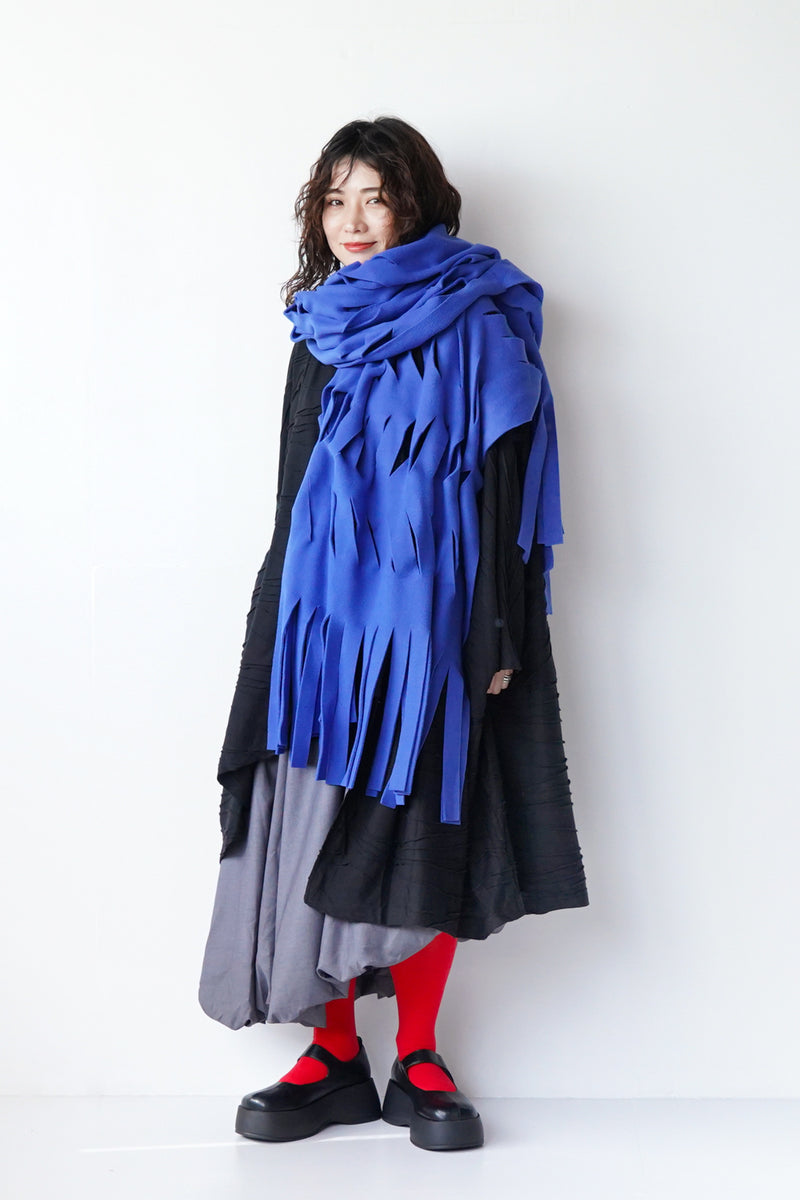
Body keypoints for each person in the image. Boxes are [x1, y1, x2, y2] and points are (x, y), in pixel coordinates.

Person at [199, 116, 588, 1152]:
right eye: (335, 201)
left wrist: (497, 631)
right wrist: (273, 627)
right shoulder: (316, 331)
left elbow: (504, 496)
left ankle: (418, 1056)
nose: (354, 221)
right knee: (306, 819)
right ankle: (333, 1058)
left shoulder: (482, 320)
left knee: (423, 828)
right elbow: (291, 498)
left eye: (375, 197)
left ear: (416, 204)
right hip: (318, 627)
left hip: (433, 627)